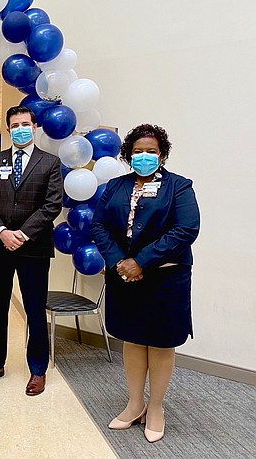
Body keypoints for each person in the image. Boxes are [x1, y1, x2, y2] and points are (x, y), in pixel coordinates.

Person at [91, 124, 200, 443]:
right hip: (124, 276)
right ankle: (135, 403)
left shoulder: (179, 187)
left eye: (151, 151)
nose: (144, 156)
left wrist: (142, 261)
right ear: (127, 155)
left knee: (162, 342)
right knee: (133, 339)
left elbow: (186, 229)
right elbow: (99, 225)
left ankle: (155, 407)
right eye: (138, 151)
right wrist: (118, 262)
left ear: (162, 154)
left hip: (166, 279)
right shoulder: (115, 186)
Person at [0, 105, 62, 396]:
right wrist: (2, 232)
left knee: (34, 309)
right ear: (9, 129)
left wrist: (22, 234)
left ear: (34, 127)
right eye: (15, 125)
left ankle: (38, 369)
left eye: (25, 123)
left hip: (33, 248)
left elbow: (52, 206)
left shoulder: (50, 163)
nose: (21, 128)